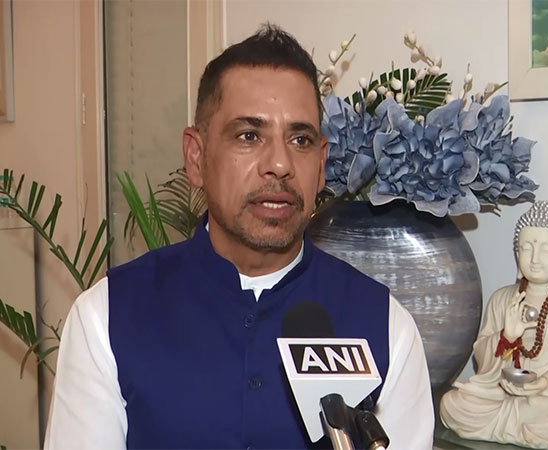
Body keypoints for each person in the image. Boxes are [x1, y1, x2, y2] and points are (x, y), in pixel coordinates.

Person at [44, 25, 434, 449]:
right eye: (249, 136)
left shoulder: (386, 328)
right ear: (196, 157)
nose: (280, 164)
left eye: (300, 139)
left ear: (321, 164)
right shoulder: (107, 318)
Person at [440, 201, 548, 449]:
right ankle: (522, 427)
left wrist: (544, 384)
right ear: (517, 254)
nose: (535, 258)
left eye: (546, 249)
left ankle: (513, 424)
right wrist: (507, 337)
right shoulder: (501, 299)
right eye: (526, 248)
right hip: (501, 394)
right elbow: (483, 358)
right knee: (452, 404)